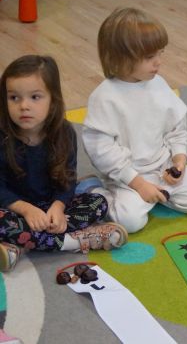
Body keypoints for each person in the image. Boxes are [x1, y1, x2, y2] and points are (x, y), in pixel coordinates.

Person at [79, 8, 187, 233]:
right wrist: (139, 184)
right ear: (120, 59)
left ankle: (155, 196)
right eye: (149, 57)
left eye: (160, 53)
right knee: (130, 222)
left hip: (163, 166)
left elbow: (176, 129)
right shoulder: (105, 97)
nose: (158, 62)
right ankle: (95, 191)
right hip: (128, 177)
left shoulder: (158, 84)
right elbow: (102, 152)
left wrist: (179, 160)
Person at [0, 55, 126, 273]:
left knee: (99, 202)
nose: (24, 106)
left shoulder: (64, 132)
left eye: (35, 97)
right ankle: (74, 241)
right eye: (14, 98)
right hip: (13, 208)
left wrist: (58, 208)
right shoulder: (3, 136)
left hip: (51, 208)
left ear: (53, 100)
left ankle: (21, 245)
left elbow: (67, 181)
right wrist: (26, 210)